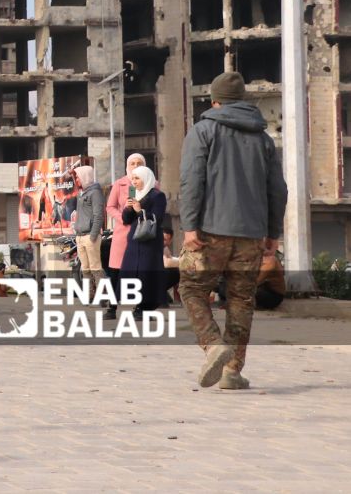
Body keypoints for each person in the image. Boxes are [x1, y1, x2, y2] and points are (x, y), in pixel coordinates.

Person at [177, 70, 288, 391]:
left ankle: (213, 344)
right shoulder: (263, 139)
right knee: (241, 299)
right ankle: (232, 371)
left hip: (210, 230)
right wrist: (272, 232)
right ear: (241, 101)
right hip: (253, 234)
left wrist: (190, 226)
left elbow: (191, 181)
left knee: (191, 289)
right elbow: (277, 190)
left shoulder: (203, 131)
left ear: (215, 101)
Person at [120, 165, 168, 318]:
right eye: (132, 178)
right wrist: (128, 209)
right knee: (133, 272)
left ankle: (144, 307)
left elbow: (157, 218)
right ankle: (138, 305)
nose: (134, 182)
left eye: (137, 178)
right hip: (135, 240)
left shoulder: (157, 196)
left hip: (150, 241)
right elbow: (126, 220)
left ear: (146, 179)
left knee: (147, 273)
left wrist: (140, 211)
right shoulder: (134, 195)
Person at [104, 153, 147, 319]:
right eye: (132, 163)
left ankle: (140, 308)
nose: (135, 166)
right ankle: (112, 307)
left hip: (142, 233)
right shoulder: (120, 184)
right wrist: (121, 217)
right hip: (123, 233)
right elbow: (110, 206)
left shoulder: (152, 183)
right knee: (116, 271)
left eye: (139, 163)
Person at [71, 164, 105, 288]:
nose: (77, 180)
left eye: (78, 177)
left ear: (85, 177)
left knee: (95, 267)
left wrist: (93, 235)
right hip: (80, 236)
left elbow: (98, 216)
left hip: (90, 236)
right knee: (85, 269)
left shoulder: (95, 193)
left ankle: (104, 296)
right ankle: (89, 294)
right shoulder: (82, 193)